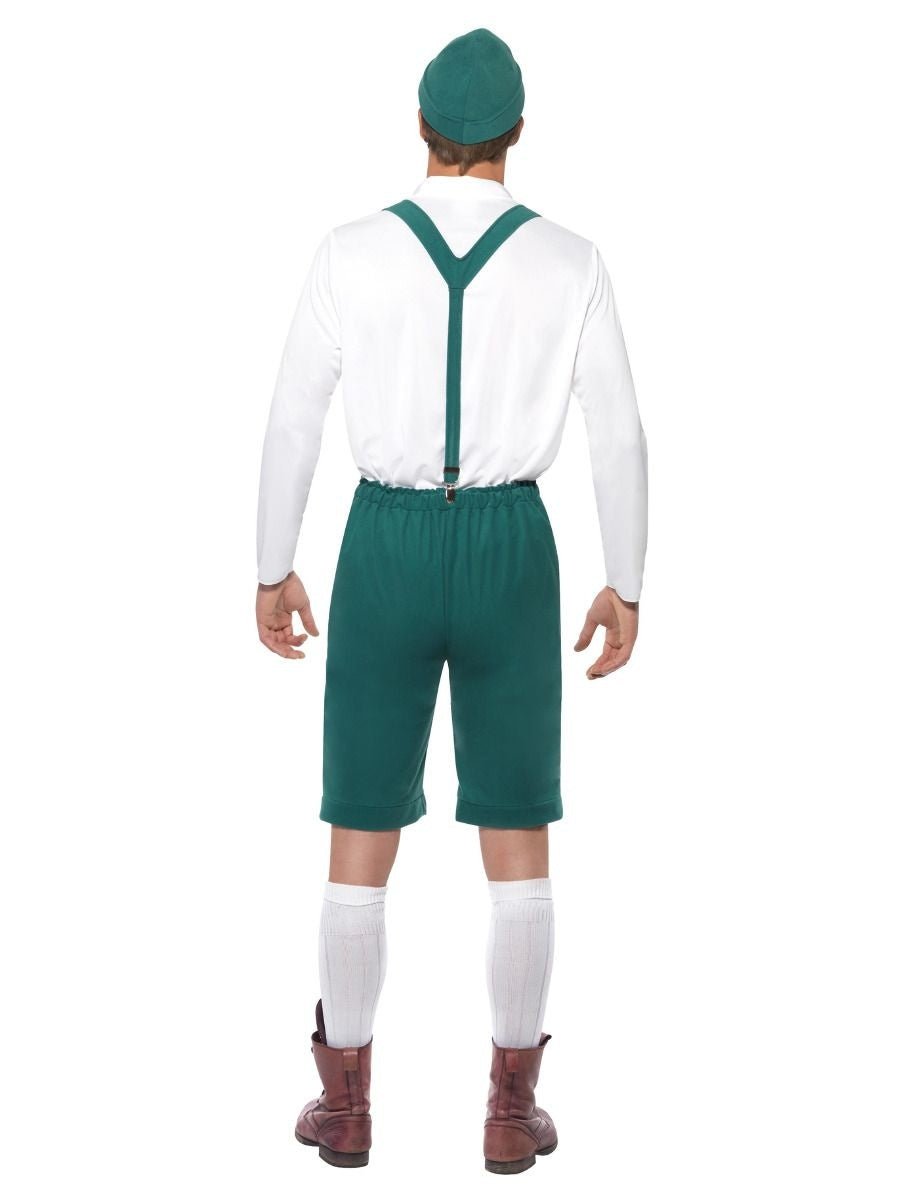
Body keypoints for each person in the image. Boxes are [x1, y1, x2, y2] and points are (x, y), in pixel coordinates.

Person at [254, 26, 648, 1174]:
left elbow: (292, 418)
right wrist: (626, 580)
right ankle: (511, 1111)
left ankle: (347, 1106)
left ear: (420, 128)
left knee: (360, 826)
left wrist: (274, 564)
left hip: (383, 542)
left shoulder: (349, 251)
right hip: (512, 546)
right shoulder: (572, 260)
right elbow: (619, 434)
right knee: (517, 826)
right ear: (518, 133)